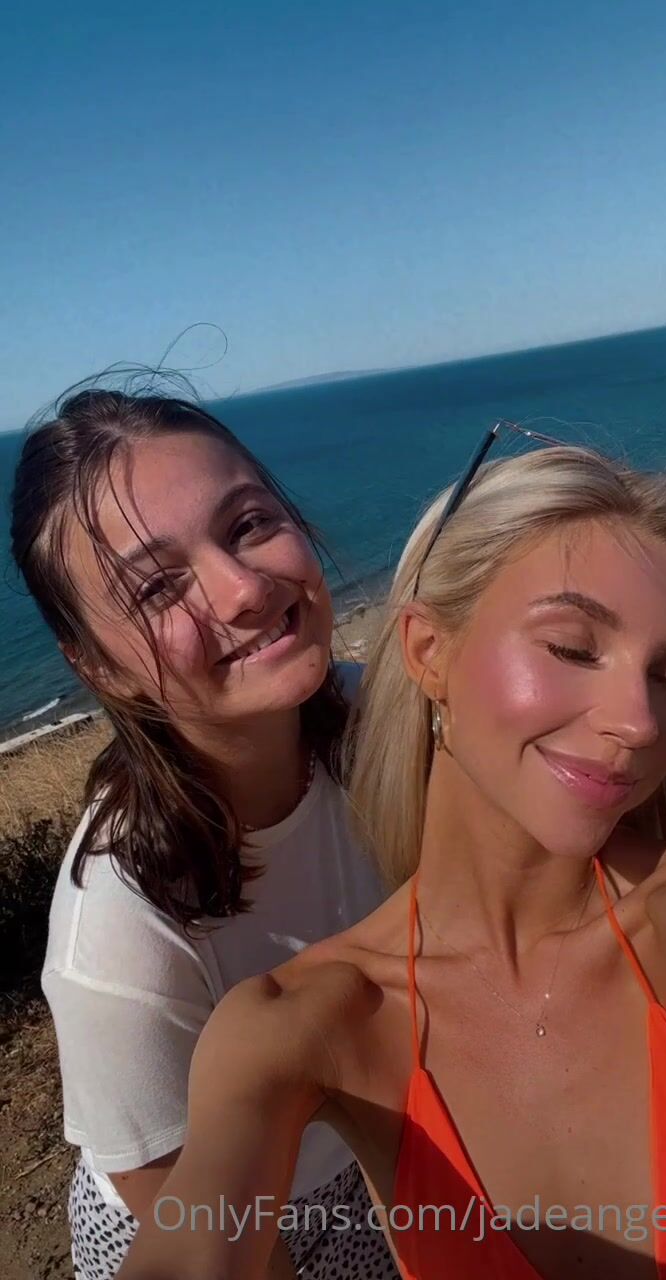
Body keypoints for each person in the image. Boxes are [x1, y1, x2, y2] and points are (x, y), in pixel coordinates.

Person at [116, 440, 666, 1280]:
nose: (641, 721)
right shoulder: (305, 1024)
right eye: (573, 648)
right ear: (430, 651)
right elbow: (193, 1238)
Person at [10, 388, 400, 1280]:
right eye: (156, 587)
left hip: (365, 1157)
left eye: (249, 523)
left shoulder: (381, 720)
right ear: (99, 665)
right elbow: (180, 1208)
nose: (246, 588)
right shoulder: (120, 937)